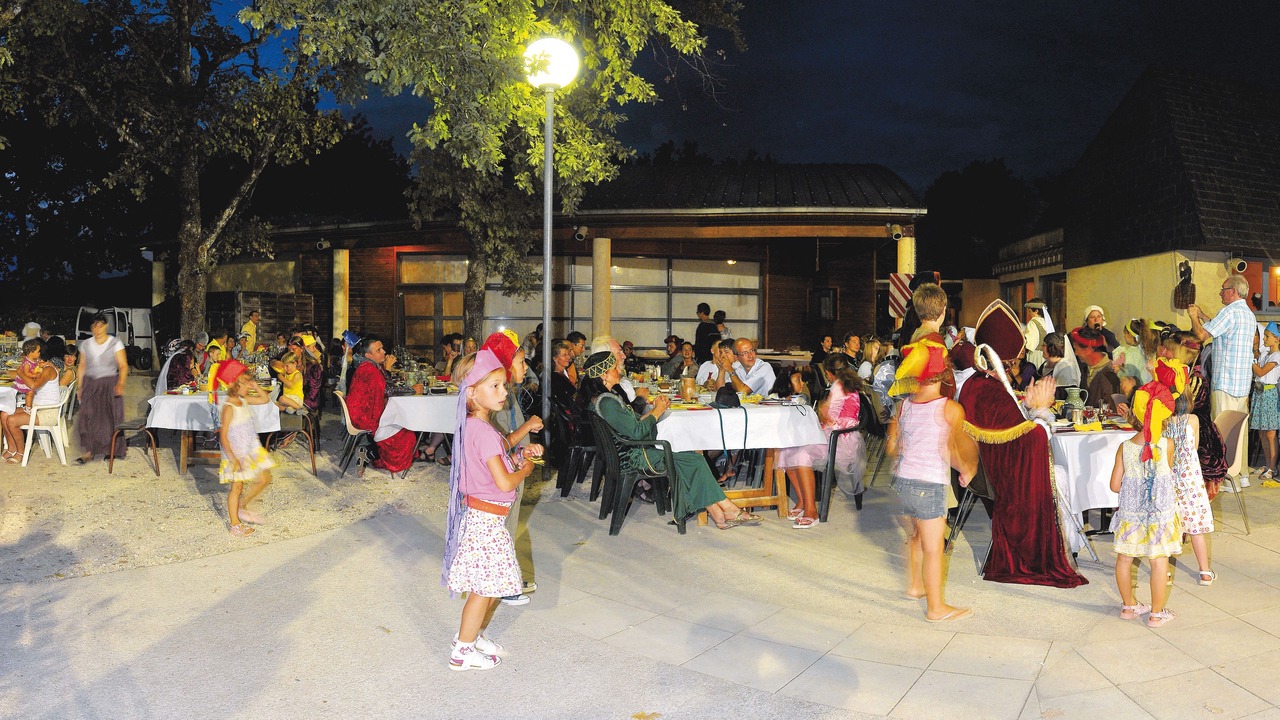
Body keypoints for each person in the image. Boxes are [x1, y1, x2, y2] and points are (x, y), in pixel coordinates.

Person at [954, 300, 1088, 588]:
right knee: (1063, 474)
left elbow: (1010, 428)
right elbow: (1031, 440)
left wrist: (1027, 406)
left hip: (986, 472)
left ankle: (1069, 547)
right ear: (1006, 361)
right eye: (1014, 362)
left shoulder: (978, 383)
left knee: (1061, 472)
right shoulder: (991, 391)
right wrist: (1041, 409)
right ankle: (1062, 551)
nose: (1015, 367)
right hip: (1000, 480)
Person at [441, 349, 546, 671]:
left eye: (503, 385)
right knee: (483, 590)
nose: (504, 392)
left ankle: (472, 635)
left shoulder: (476, 426)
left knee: (489, 586)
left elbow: (492, 468)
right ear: (472, 393)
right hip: (486, 522)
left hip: (483, 518)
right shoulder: (485, 432)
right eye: (495, 386)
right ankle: (462, 651)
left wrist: (519, 456)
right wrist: (526, 469)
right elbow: (503, 483)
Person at [577, 350, 760, 529]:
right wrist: (657, 412)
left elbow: (633, 424)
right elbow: (637, 432)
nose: (619, 370)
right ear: (603, 375)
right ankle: (728, 509)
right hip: (634, 456)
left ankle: (719, 514)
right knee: (694, 459)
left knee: (691, 456)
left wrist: (654, 410)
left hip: (632, 450)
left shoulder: (606, 398)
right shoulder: (607, 402)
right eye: (614, 368)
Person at [885, 335, 979, 622]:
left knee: (915, 537)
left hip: (902, 482)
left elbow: (891, 447)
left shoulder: (904, 406)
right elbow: (953, 449)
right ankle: (936, 608)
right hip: (929, 484)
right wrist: (967, 469)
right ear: (946, 373)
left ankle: (915, 586)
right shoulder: (950, 408)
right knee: (934, 549)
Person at [479, 331, 544, 606]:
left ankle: (506, 578)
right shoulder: (495, 401)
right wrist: (527, 428)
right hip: (502, 474)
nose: (525, 367)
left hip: (512, 464)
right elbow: (499, 443)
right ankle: (501, 584)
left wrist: (523, 451)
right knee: (502, 528)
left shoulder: (505, 394)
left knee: (510, 525)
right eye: (520, 362)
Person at [1110, 380, 1182, 627]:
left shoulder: (1124, 447)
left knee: (1124, 559)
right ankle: (1156, 614)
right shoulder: (1167, 444)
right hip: (1159, 515)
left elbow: (1115, 486)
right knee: (1158, 561)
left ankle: (1128, 607)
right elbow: (1167, 474)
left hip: (1131, 515)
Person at [1154, 358, 1216, 585]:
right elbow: (1195, 448)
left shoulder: (1160, 421)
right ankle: (1205, 572)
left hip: (1166, 479)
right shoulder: (1193, 420)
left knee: (1166, 526)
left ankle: (1165, 574)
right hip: (1190, 482)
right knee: (1196, 528)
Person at [1158, 330, 1228, 498]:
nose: (1164, 353)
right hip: (1179, 427)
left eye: (1169, 350)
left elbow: (1180, 410)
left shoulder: (1194, 379)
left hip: (1195, 434)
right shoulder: (1176, 374)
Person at [1190, 274, 1256, 450]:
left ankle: (1222, 466)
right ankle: (1240, 467)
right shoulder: (1249, 314)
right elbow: (1220, 328)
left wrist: (1194, 317)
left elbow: (1201, 335)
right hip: (1242, 386)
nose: (1220, 293)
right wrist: (1203, 316)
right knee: (1239, 435)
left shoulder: (1229, 312)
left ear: (1233, 291)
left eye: (1223, 289)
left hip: (1225, 384)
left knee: (1221, 433)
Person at [346, 335, 422, 474]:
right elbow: (388, 390)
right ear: (368, 355)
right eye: (379, 350)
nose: (384, 352)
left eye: (382, 348)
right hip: (364, 416)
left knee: (402, 418)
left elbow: (384, 387)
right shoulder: (369, 369)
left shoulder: (367, 365)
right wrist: (412, 390)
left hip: (363, 411)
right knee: (407, 431)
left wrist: (386, 369)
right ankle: (371, 453)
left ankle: (370, 452)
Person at [215, 360, 275, 538]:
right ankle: (235, 524)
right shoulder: (229, 407)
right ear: (234, 385)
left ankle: (241, 506)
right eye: (246, 383)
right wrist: (233, 459)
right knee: (237, 487)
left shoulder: (243, 400)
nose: (249, 386)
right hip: (237, 453)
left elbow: (264, 399)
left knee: (264, 478)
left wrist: (255, 386)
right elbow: (223, 436)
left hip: (251, 449)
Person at [76, 313, 128, 464]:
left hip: (109, 383)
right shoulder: (86, 344)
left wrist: (121, 383)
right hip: (90, 384)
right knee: (88, 416)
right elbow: (82, 366)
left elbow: (123, 366)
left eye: (100, 325)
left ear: (106, 326)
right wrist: (80, 386)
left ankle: (111, 449)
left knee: (108, 418)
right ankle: (89, 451)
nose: (97, 329)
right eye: (94, 326)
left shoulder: (115, 343)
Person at [1, 340, 59, 463]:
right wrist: (13, 372)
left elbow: (33, 385)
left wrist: (20, 372)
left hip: (47, 412)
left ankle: (20, 453)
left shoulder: (48, 370)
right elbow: (21, 375)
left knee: (12, 420)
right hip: (36, 408)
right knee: (4, 414)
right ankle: (12, 448)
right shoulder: (39, 367)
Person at [1251, 322, 1280, 480]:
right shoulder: (1265, 354)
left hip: (1269, 395)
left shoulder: (1277, 356)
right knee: (1262, 432)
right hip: (1260, 394)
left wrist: (1249, 360)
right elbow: (1257, 358)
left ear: (1276, 339)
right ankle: (1267, 463)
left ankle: (1273, 467)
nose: (1264, 339)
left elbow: (1261, 372)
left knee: (1270, 433)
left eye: (1267, 336)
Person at [1071, 326, 1119, 408]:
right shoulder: (1084, 369)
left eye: (1077, 350)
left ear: (1088, 349)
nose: (1076, 353)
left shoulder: (1111, 372)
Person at [1022, 298, 1054, 367]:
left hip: (1035, 355)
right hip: (1046, 354)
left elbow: (1031, 343)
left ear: (1036, 311)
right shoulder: (1046, 322)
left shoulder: (1033, 322)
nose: (1029, 314)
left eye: (1030, 311)